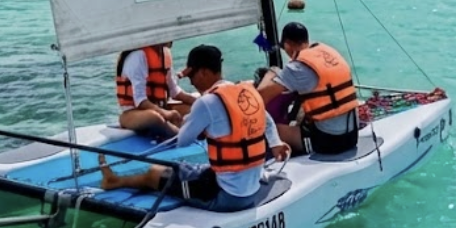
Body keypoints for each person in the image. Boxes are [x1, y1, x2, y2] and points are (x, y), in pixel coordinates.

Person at [100, 43, 289, 211]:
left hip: (226, 197)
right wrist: (276, 144)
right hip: (251, 188)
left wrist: (194, 122)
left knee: (156, 172)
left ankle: (115, 181)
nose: (191, 81)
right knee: (194, 168)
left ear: (204, 72)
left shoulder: (206, 102)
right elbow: (268, 120)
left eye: (192, 76)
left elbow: (183, 140)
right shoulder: (247, 93)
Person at [257, 22, 359, 156]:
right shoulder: (326, 52)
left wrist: (271, 72)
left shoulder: (297, 68)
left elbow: (259, 98)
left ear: (287, 44)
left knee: (273, 131)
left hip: (330, 142)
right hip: (352, 135)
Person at [115, 42, 196, 138]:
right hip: (133, 113)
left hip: (160, 108)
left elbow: (174, 91)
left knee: (193, 109)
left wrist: (197, 102)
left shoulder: (165, 53)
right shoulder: (137, 56)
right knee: (155, 118)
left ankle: (192, 134)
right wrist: (165, 113)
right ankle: (180, 136)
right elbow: (140, 101)